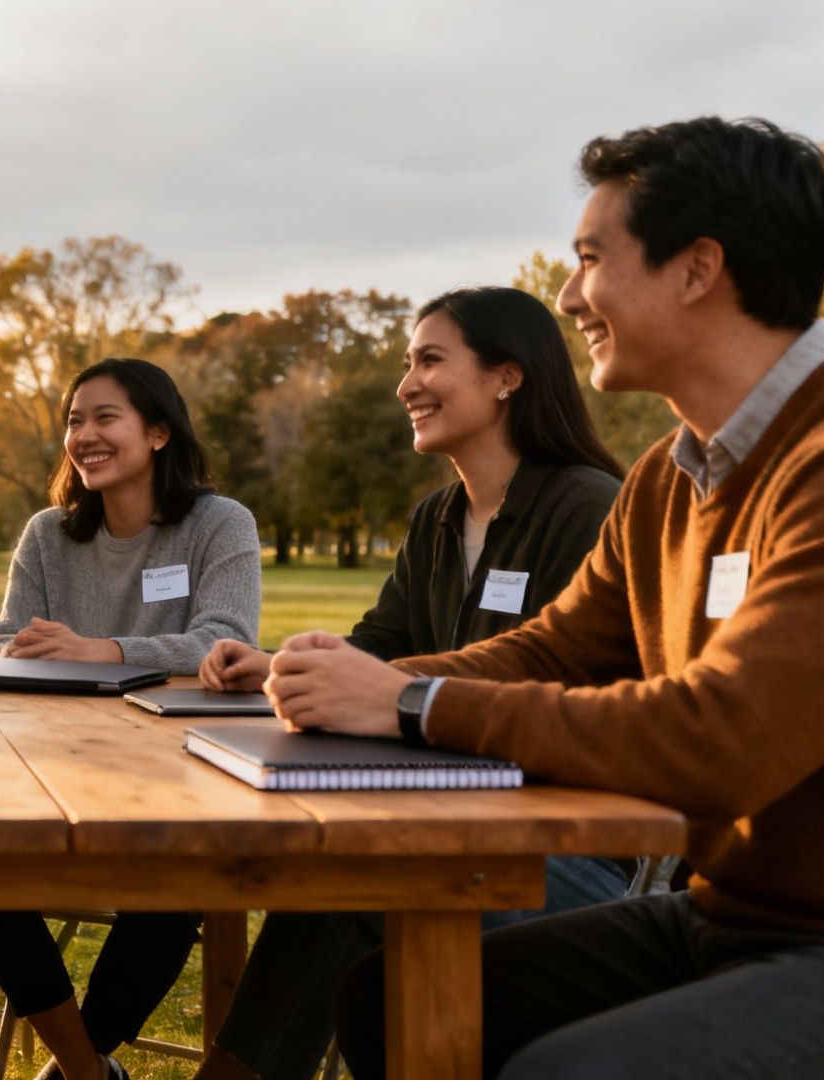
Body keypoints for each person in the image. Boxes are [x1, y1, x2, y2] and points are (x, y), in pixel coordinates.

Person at [274, 118, 824, 1079]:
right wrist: (354, 684)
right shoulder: (667, 477)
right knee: (391, 1002)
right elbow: (549, 650)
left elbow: (720, 740)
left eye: (589, 259)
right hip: (728, 916)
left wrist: (408, 702)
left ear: (698, 269)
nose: (568, 296)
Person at [191, 287, 631, 1080]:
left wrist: (390, 697)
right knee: (337, 870)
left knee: (356, 872)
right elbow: (378, 649)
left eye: (431, 360)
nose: (406, 385)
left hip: (567, 848)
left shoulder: (586, 508)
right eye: (407, 363)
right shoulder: (436, 519)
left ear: (508, 377)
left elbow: (575, 698)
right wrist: (282, 668)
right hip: (443, 809)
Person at [0, 357, 261, 1080]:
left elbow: (224, 643)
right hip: (58, 772)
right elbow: (5, 645)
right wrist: (37, 650)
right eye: (75, 421)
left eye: (106, 418)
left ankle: (71, 1068)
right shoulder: (48, 535)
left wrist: (96, 651)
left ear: (159, 431)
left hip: (179, 775)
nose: (85, 436)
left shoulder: (219, 524)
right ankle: (87, 1071)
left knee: (175, 886)